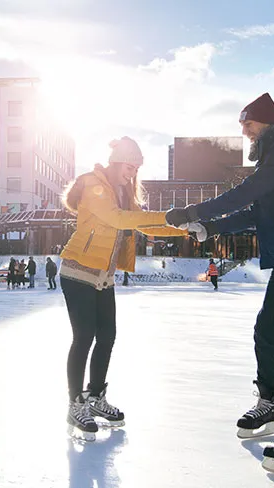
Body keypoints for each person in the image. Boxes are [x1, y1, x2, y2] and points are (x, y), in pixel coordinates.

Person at [165, 93, 274, 478]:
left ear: (268, 123)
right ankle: (269, 402)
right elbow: (255, 212)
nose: (243, 130)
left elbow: (248, 192)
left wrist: (194, 211)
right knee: (266, 328)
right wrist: (209, 226)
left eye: (248, 123)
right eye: (241, 123)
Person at [59, 136, 187, 441]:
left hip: (103, 275)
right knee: (85, 336)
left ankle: (96, 397)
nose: (132, 173)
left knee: (107, 336)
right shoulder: (93, 184)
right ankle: (75, 404)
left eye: (137, 168)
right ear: (118, 161)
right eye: (130, 166)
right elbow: (118, 220)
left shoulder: (123, 191)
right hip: (77, 270)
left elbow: (141, 223)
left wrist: (181, 225)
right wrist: (167, 216)